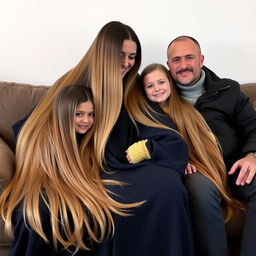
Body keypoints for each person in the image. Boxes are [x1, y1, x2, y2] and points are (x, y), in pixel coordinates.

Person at [0, 21, 194, 256]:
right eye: (120, 55)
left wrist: (154, 149)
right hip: (78, 168)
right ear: (104, 53)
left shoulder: (132, 87)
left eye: (132, 57)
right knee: (44, 209)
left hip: (119, 166)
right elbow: (34, 128)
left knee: (167, 188)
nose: (126, 63)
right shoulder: (70, 84)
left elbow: (158, 130)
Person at [167, 35, 256, 256]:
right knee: (200, 192)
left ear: (201, 60)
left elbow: (253, 126)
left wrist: (252, 156)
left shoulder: (229, 90)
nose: (183, 65)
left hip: (233, 165)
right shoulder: (160, 95)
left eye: (189, 57)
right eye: (176, 60)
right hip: (198, 170)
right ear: (169, 65)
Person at [126, 63, 242, 220]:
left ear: (170, 83)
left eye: (161, 82)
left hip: (195, 167)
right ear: (143, 91)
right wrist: (174, 159)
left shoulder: (186, 111)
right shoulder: (143, 117)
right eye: (150, 85)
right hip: (164, 172)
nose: (157, 88)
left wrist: (182, 158)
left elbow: (204, 145)